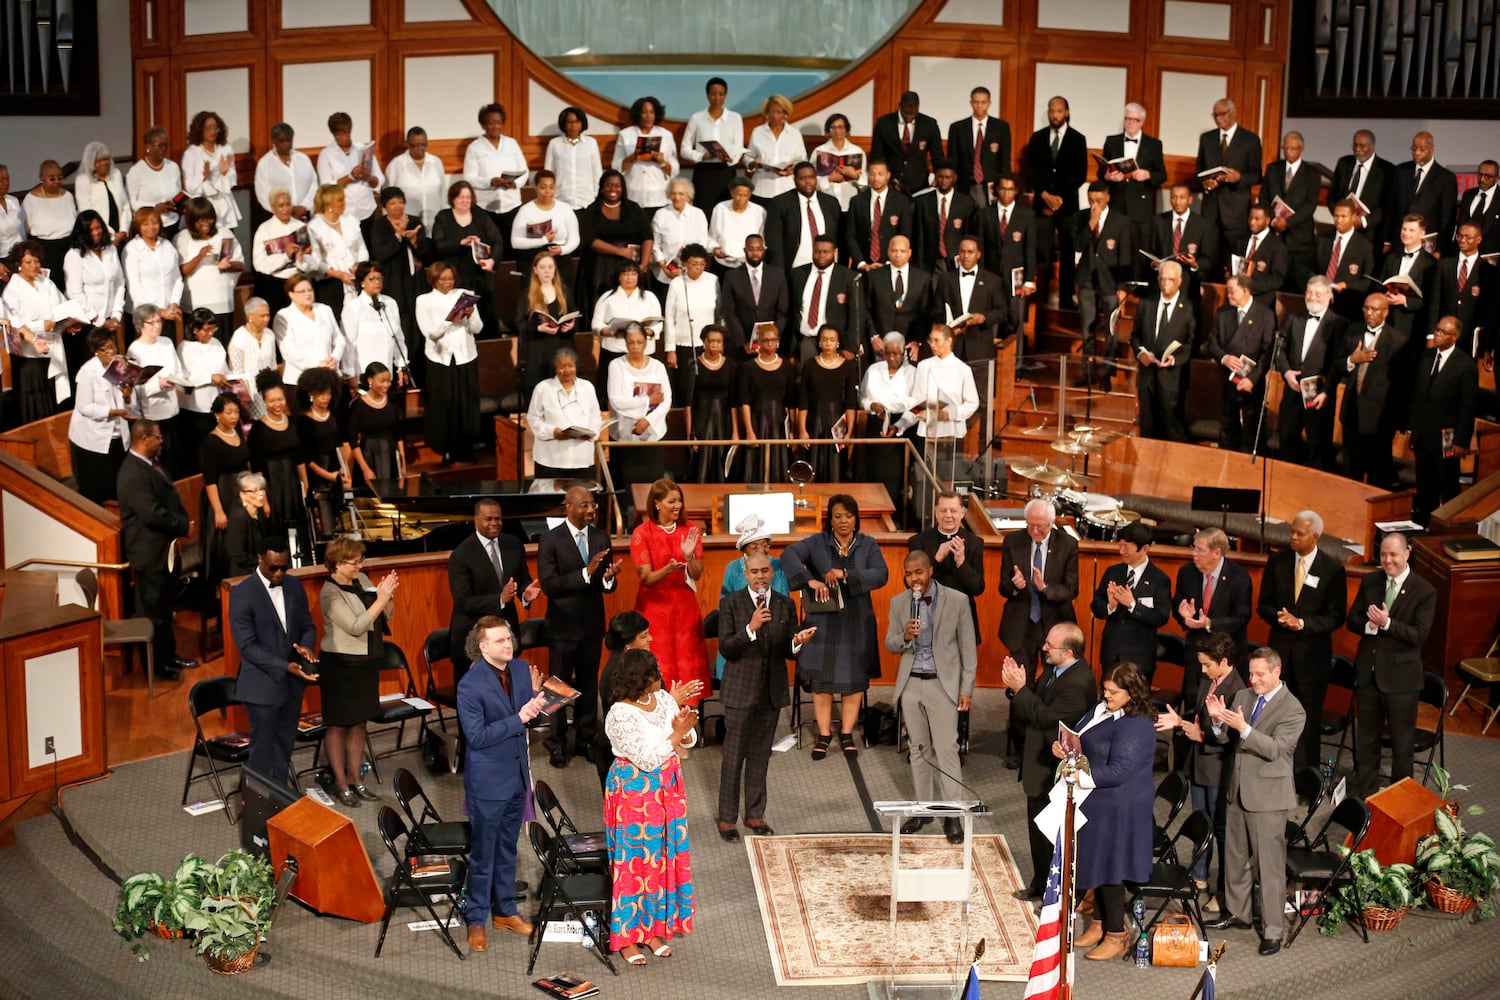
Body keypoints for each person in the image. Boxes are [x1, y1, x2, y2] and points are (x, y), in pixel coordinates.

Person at [1204, 647, 1304, 957]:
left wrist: (1242, 728)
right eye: (1251, 672)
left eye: (1261, 674)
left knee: (1269, 867)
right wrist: (1218, 722)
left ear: (1277, 672)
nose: (1254, 679)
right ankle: (1239, 913)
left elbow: (1276, 750)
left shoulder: (1293, 709)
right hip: (1238, 789)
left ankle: (1272, 930)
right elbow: (1224, 739)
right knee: (1235, 858)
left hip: (1269, 797)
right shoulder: (1244, 696)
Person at [602, 648, 697, 965]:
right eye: (653, 673)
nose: (660, 676)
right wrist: (676, 735)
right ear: (639, 680)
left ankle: (652, 930)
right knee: (635, 864)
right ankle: (628, 938)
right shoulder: (619, 714)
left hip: (668, 789)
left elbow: (688, 738)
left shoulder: (665, 699)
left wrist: (683, 730)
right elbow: (645, 758)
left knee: (662, 861)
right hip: (635, 792)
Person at [1057, 662, 1157, 960]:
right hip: (1100, 802)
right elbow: (1082, 736)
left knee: (1111, 868)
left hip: (1120, 805)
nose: (1106, 695)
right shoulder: (1103, 709)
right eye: (1105, 689)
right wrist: (1064, 750)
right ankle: (1099, 924)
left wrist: (1080, 777)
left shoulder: (1136, 724)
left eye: (1113, 692)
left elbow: (1120, 770)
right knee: (1098, 861)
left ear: (1131, 693)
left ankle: (1117, 934)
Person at [457, 616, 544, 953]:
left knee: (508, 849)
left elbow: (529, 715)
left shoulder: (521, 669)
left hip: (518, 777)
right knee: (483, 854)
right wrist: (519, 718)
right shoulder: (470, 684)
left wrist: (541, 706)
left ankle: (505, 911)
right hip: (488, 782)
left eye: (508, 638)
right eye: (499, 640)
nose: (508, 644)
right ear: (482, 647)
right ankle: (476, 919)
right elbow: (476, 737)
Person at [716, 550, 815, 842]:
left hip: (770, 691)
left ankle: (755, 814)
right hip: (739, 692)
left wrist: (797, 642)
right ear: (745, 575)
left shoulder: (784, 604)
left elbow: (786, 650)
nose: (760, 576)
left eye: (765, 571)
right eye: (754, 572)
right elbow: (727, 649)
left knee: (760, 756)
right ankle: (727, 819)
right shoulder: (731, 604)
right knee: (734, 757)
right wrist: (751, 628)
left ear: (773, 574)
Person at [781, 494, 889, 759]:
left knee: (853, 681)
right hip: (823, 620)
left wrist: (846, 574)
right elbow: (788, 555)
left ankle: (847, 733)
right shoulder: (817, 542)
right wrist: (809, 580)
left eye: (849, 516)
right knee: (822, 681)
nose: (843, 521)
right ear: (830, 518)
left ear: (856, 518)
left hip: (857, 620)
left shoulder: (867, 544)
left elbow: (881, 574)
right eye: (838, 515)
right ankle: (824, 734)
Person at [887, 550, 976, 844]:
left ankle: (952, 815)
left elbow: (968, 650)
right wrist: (905, 637)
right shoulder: (899, 603)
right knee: (918, 749)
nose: (914, 579)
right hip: (911, 684)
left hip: (943, 684)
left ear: (930, 572)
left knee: (947, 749)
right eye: (909, 574)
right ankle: (923, 809)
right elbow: (890, 643)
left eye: (919, 573)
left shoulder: (958, 600)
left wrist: (966, 689)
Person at [1003, 622, 1096, 899]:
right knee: (1036, 829)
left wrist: (1021, 690)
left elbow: (1046, 718)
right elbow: (1036, 703)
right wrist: (1017, 689)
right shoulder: (1056, 670)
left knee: (1050, 834)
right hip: (1038, 763)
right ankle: (1039, 882)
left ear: (1067, 652)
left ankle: (1054, 893)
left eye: (1050, 645)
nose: (1044, 648)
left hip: (1053, 769)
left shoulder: (1079, 683)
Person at [1155, 631, 1245, 909]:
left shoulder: (1237, 690)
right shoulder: (1210, 680)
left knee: (1220, 830)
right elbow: (1197, 717)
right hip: (1201, 765)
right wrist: (1180, 722)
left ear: (1224, 661)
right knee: (1201, 822)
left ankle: (1224, 892)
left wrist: (1202, 735)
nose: (1203, 670)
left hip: (1220, 770)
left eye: (1207, 664)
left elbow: (1232, 736)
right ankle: (1199, 875)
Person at [1347, 532, 1437, 796]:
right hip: (1368, 676)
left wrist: (1387, 623)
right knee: (1366, 744)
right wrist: (1369, 625)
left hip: (1401, 682)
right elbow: (1352, 619)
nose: (1387, 560)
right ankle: (1366, 800)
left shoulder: (1425, 590)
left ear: (1407, 554)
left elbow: (1419, 635)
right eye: (1383, 555)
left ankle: (1398, 804)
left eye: (1393, 555)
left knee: (1401, 747)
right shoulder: (1371, 580)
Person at [1256, 511, 1346, 771]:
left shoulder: (1332, 569)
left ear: (1315, 537)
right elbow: (1264, 606)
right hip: (1280, 655)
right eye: (1292, 531)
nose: (1293, 537)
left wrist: (1303, 623)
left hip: (1312, 658)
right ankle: (1274, 769)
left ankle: (1304, 775)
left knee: (1306, 717)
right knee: (1276, 714)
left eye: (1300, 533)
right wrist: (1280, 618)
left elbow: (1335, 617)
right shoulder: (1277, 562)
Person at [537, 486, 620, 768]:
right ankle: (557, 741)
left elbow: (605, 584)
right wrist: (586, 572)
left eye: (592, 505)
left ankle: (586, 738)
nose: (590, 510)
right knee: (558, 688)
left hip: (592, 625)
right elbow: (550, 585)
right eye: (584, 505)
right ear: (568, 508)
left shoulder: (600, 537)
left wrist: (608, 578)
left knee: (587, 684)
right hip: (562, 627)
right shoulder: (550, 541)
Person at [997, 497, 1080, 766]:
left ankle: (1050, 744)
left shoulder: (1068, 545)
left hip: (1053, 627)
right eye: (1031, 525)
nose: (1035, 531)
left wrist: (1045, 589)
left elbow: (1071, 589)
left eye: (1041, 527)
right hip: (1021, 625)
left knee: (1053, 687)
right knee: (1021, 684)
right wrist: (1014, 584)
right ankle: (1020, 750)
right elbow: (1001, 586)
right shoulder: (1013, 542)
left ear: (1052, 523)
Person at [317, 536, 398, 806]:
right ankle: (341, 783)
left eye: (361, 560)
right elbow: (355, 625)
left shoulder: (361, 581)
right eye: (355, 562)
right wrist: (380, 599)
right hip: (340, 664)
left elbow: (388, 614)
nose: (360, 566)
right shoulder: (329, 592)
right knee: (339, 724)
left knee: (359, 723)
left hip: (365, 662)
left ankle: (356, 779)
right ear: (337, 564)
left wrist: (387, 599)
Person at [229, 538, 318, 781]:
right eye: (273, 568)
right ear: (260, 559)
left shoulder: (294, 586)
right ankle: (259, 806)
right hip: (261, 686)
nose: (279, 573)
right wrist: (284, 666)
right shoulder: (242, 594)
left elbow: (308, 626)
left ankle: (279, 797)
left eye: (283, 568)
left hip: (292, 684)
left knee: (285, 745)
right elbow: (247, 647)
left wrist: (307, 648)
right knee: (262, 750)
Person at [118, 416, 196, 680]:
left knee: (164, 610)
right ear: (144, 439)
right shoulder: (132, 473)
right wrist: (183, 526)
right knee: (153, 612)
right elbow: (151, 513)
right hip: (149, 554)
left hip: (163, 550)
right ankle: (157, 666)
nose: (162, 441)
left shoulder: (151, 465)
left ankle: (168, 656)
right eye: (158, 437)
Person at [631, 478, 709, 701]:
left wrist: (689, 556)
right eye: (671, 501)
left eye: (680, 501)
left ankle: (690, 719)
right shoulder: (642, 533)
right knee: (659, 665)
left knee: (687, 666)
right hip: (653, 612)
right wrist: (669, 568)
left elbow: (696, 573)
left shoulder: (691, 529)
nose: (678, 506)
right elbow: (646, 578)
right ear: (656, 503)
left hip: (685, 610)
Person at [448, 498, 540, 671]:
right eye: (488, 519)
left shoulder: (514, 544)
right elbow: (463, 601)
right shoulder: (461, 555)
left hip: (506, 637)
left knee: (509, 692)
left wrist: (524, 593)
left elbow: (521, 580)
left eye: (497, 519)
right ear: (476, 520)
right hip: (475, 640)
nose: (494, 523)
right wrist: (500, 598)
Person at [1408, 315, 1479, 523]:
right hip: (1423, 435)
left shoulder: (1465, 365)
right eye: (1436, 330)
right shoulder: (1427, 357)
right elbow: (1418, 395)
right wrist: (1412, 428)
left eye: (1442, 332)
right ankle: (1422, 525)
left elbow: (1468, 407)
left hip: (1447, 438)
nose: (1437, 335)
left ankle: (1447, 527)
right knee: (1424, 485)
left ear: (1455, 336)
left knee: (1447, 485)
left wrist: (1461, 441)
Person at [1174, 526, 1254, 706]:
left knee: (1223, 709)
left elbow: (1241, 618)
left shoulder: (1239, 578)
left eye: (1199, 550)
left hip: (1226, 655)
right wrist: (1185, 616)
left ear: (1216, 553)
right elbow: (1177, 604)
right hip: (1196, 654)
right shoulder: (1186, 573)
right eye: (1193, 548)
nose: (1194, 553)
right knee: (1194, 705)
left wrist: (1209, 623)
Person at [364, 188, 435, 380]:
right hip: (394, 283)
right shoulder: (380, 226)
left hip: (416, 281)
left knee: (419, 326)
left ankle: (421, 375)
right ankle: (402, 373)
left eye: (400, 202)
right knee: (402, 326)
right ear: (385, 206)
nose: (397, 206)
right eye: (392, 203)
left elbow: (427, 254)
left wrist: (413, 241)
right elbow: (381, 254)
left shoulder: (414, 221)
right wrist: (398, 235)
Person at [1022, 97, 1088, 304]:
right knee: (1041, 249)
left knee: (1068, 250)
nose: (1055, 115)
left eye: (1059, 111)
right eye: (1052, 111)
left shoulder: (1078, 139)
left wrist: (1057, 200)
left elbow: (1080, 175)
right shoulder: (1038, 138)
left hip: (1066, 205)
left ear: (1066, 112)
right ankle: (1039, 296)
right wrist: (1045, 196)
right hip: (1042, 203)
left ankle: (1066, 296)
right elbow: (1031, 171)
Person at [1276, 276, 1346, 470]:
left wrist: (1327, 390)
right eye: (1309, 293)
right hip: (1292, 388)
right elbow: (1280, 349)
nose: (1313, 297)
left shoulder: (1338, 323)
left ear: (1329, 296)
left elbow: (1337, 362)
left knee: (1318, 443)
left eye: (1318, 293)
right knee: (1287, 436)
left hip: (1319, 392)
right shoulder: (1294, 318)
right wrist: (1286, 372)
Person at [416, 261, 482, 464]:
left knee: (465, 403)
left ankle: (466, 447)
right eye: (443, 279)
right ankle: (444, 448)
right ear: (434, 280)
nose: (448, 282)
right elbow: (430, 334)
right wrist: (450, 319)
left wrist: (470, 317)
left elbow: (478, 329)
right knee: (444, 403)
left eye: (450, 278)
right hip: (439, 358)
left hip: (465, 356)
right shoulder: (424, 300)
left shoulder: (465, 294)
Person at [1340, 292, 1406, 488]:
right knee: (1351, 471)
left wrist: (1398, 420)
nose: (1369, 313)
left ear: (1385, 313)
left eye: (1374, 309)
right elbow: (1336, 366)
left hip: (1379, 419)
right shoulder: (1352, 332)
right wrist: (1352, 360)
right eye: (1366, 308)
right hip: (1352, 412)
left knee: (1378, 473)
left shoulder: (1397, 341)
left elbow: (1402, 385)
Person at [908, 324, 979, 505]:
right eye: (930, 340)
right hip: (928, 431)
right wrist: (922, 409)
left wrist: (950, 414)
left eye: (937, 340)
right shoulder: (924, 366)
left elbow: (972, 402)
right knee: (925, 479)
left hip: (951, 433)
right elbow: (916, 397)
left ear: (949, 341)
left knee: (949, 480)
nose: (932, 344)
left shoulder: (962, 369)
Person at [1090, 521, 1172, 676]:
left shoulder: (1159, 579)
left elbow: (1161, 617)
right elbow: (1095, 605)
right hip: (1111, 655)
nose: (1121, 551)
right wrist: (1110, 606)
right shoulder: (1113, 572)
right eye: (1120, 545)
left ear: (1145, 549)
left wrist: (1132, 605)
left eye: (1127, 547)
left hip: (1140, 658)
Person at [908, 490, 986, 647]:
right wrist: (936, 559)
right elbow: (913, 584)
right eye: (943, 510)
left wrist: (961, 562)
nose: (948, 515)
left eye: (954, 511)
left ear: (962, 513)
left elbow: (978, 588)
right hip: (928, 617)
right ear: (936, 512)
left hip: (962, 620)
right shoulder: (919, 541)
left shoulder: (975, 543)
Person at [3, 239, 71, 420]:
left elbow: (62, 306)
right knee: (36, 404)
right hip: (30, 356)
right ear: (19, 264)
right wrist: (42, 325)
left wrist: (68, 322)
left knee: (54, 397)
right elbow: (15, 324)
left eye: (36, 261)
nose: (34, 265)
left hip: (53, 347)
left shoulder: (46, 282)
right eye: (28, 262)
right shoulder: (12, 290)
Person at [1098, 104, 1167, 280]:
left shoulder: (1154, 144)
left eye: (1134, 120)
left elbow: (1162, 175)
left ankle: (1136, 286)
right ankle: (1111, 283)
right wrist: (1108, 176)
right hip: (1117, 201)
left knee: (1139, 246)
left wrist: (1147, 174)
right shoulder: (1111, 141)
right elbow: (1102, 171)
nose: (1130, 123)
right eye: (1127, 118)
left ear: (1142, 121)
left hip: (1140, 204)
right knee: (1112, 244)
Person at [1207, 274, 1275, 452]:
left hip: (1251, 384)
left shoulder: (1265, 315)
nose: (1228, 295)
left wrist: (1252, 378)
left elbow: (1268, 352)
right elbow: (1212, 343)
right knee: (1227, 429)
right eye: (1227, 291)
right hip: (1227, 382)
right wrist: (1224, 358)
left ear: (1245, 290)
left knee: (1250, 434)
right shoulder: (1223, 313)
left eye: (1232, 291)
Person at [1072, 181, 1132, 383]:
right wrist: (1091, 222)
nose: (1094, 204)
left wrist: (1122, 287)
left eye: (1098, 200)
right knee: (1087, 327)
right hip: (1087, 280)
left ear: (1108, 197)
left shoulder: (1121, 221)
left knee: (1111, 329)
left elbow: (1125, 256)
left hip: (1110, 282)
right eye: (1091, 200)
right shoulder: (1081, 217)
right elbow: (1077, 245)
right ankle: (1087, 372)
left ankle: (1107, 372)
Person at [67, 328, 135, 504]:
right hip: (92, 439)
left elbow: (127, 402)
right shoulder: (87, 372)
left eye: (113, 347)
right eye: (106, 349)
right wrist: (114, 412)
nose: (111, 352)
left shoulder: (121, 365)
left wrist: (127, 396)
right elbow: (85, 407)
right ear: (96, 351)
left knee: (118, 485)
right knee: (96, 489)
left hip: (118, 435)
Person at [1131, 259, 1194, 441]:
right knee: (1147, 429)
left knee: (1171, 429)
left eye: (1171, 280)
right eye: (1163, 279)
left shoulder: (1188, 308)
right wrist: (1141, 353)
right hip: (1147, 377)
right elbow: (1135, 336)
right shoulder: (1146, 303)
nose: (1166, 284)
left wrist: (1174, 359)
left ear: (1180, 281)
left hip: (1171, 380)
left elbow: (1191, 344)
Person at [1195, 99, 1262, 267]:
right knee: (1208, 257)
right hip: (1211, 210)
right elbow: (1199, 172)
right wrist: (1205, 183)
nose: (1218, 118)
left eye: (1222, 114)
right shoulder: (1207, 139)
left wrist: (1239, 178)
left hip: (1236, 212)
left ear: (1234, 112)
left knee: (1234, 261)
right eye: (1215, 115)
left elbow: (1257, 175)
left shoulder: (1250, 140)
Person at [431, 180, 503, 334]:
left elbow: (498, 241)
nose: (465, 201)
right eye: (461, 197)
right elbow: (438, 245)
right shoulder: (444, 217)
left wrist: (492, 260)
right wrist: (460, 242)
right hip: (456, 276)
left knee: (486, 313)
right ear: (453, 199)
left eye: (468, 197)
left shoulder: (480, 215)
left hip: (480, 275)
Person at [125, 303, 188, 477]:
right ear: (140, 326)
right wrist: (157, 385)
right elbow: (135, 388)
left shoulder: (166, 342)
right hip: (152, 413)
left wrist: (178, 383)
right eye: (151, 323)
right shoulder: (135, 350)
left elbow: (178, 370)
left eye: (159, 321)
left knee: (177, 462)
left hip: (172, 409)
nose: (157, 326)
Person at [593, 611, 654, 789]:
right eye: (644, 636)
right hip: (619, 756)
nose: (650, 639)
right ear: (628, 644)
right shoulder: (619, 676)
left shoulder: (633, 666)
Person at [578, 170, 653, 312]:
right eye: (609, 185)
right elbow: (590, 240)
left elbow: (648, 237)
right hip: (599, 267)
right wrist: (620, 251)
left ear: (623, 188)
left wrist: (643, 265)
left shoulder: (634, 208)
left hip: (630, 266)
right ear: (601, 187)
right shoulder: (592, 211)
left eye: (617, 186)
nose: (613, 189)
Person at [62, 211, 124, 378]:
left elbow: (119, 282)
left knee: (113, 370)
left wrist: (117, 314)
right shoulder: (74, 255)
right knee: (92, 372)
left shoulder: (110, 249)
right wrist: (98, 320)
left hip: (111, 320)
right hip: (87, 324)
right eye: (91, 229)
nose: (96, 232)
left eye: (98, 228)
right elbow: (74, 292)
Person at [248, 377, 305, 554]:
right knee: (276, 527)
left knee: (298, 526)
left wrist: (305, 486)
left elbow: (300, 458)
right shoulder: (258, 429)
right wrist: (263, 499)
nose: (277, 404)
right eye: (271, 400)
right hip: (271, 486)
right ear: (264, 401)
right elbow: (256, 466)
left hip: (292, 483)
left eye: (280, 399)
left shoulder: (294, 423)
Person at [195, 392, 249, 581]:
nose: (234, 416)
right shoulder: (211, 442)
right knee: (223, 545)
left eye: (236, 412)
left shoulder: (239, 431)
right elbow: (209, 480)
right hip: (222, 495)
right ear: (217, 415)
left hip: (241, 492)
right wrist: (218, 510)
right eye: (229, 413)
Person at [858, 332, 916, 504]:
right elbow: (861, 399)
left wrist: (898, 426)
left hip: (901, 425)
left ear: (903, 352)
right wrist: (872, 405)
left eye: (895, 354)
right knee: (873, 469)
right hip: (876, 421)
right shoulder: (873, 370)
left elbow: (915, 405)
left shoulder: (913, 373)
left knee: (894, 473)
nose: (891, 358)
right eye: (887, 353)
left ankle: (894, 510)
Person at [1258, 131, 1321, 287]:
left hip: (1299, 239)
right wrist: (1273, 219)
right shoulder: (1273, 168)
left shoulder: (1312, 173)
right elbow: (1264, 197)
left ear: (1301, 149)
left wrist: (1288, 222)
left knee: (1296, 283)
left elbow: (1310, 206)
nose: (1289, 152)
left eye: (1293, 148)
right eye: (1285, 148)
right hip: (1275, 234)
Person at [981, 174, 1039, 344]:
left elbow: (1030, 250)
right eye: (1003, 188)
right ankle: (990, 361)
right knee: (990, 318)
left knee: (1015, 318)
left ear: (1016, 191)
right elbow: (981, 248)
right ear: (996, 190)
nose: (1006, 193)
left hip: (1016, 277)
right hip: (990, 275)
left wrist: (1029, 280)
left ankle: (1017, 364)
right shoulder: (985, 214)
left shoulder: (1026, 215)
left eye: (1010, 189)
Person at [527, 348, 601, 481]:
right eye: (562, 367)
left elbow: (595, 416)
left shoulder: (587, 387)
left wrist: (592, 433)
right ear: (555, 368)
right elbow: (533, 418)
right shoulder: (543, 388)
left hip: (581, 458)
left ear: (576, 366)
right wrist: (552, 432)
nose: (567, 370)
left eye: (570, 366)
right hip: (550, 459)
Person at [590, 260, 662, 395]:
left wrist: (649, 331)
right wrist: (610, 331)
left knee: (641, 393)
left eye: (633, 274)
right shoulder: (607, 297)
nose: (630, 278)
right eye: (625, 274)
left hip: (642, 350)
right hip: (614, 349)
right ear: (619, 277)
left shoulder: (649, 297)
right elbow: (596, 324)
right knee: (614, 390)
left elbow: (658, 322)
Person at [798, 325, 858, 483]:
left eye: (832, 340)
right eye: (824, 339)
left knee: (836, 467)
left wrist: (849, 433)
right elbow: (803, 400)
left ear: (838, 342)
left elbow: (851, 403)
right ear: (819, 342)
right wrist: (802, 430)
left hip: (837, 422)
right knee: (814, 466)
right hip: (814, 420)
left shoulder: (848, 367)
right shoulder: (809, 365)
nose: (828, 343)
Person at [735, 326, 796, 482]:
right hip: (757, 421)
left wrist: (792, 430)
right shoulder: (747, 367)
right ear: (758, 342)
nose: (770, 344)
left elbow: (791, 401)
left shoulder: (787, 366)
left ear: (778, 342)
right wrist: (749, 430)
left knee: (779, 464)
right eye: (765, 340)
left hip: (779, 422)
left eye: (773, 340)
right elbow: (744, 402)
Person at [175, 196, 243, 335]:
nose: (206, 223)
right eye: (200, 220)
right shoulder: (183, 237)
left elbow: (240, 264)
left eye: (209, 219)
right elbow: (180, 271)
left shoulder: (224, 233)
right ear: (192, 220)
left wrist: (227, 264)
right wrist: (200, 256)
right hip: (195, 302)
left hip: (222, 299)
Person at [295, 367, 351, 534]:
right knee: (323, 523)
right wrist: (329, 476)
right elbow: (305, 458)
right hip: (317, 476)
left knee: (342, 520)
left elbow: (344, 444)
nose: (326, 398)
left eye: (328, 393)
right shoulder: (303, 422)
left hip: (337, 470)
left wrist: (347, 471)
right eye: (321, 394)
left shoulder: (335, 416)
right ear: (310, 394)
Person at [932, 236, 1004, 365]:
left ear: (978, 254)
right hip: (951, 346)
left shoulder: (993, 281)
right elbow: (937, 309)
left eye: (970, 252)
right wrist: (948, 327)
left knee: (979, 385)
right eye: (962, 252)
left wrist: (984, 318)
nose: (965, 256)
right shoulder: (945, 279)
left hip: (979, 346)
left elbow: (1002, 311)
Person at [607, 323, 672, 463]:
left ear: (646, 342)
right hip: (624, 433)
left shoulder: (658, 366)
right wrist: (648, 400)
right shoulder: (616, 365)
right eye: (631, 343)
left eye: (639, 342)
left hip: (654, 431)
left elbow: (666, 400)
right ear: (625, 343)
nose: (635, 347)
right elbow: (616, 401)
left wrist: (648, 420)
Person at [718, 232, 787, 358]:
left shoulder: (778, 275)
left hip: (771, 345)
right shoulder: (731, 276)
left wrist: (772, 339)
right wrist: (743, 342)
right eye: (751, 249)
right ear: (745, 250)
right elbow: (729, 312)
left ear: (764, 250)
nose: (755, 253)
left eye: (759, 249)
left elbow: (783, 310)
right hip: (742, 345)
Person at [680, 78, 745, 211]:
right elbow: (684, 149)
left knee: (726, 212)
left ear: (725, 96)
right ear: (707, 95)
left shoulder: (735, 118)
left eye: (721, 94)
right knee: (703, 212)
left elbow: (739, 148)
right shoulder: (696, 118)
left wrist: (730, 157)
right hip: (704, 173)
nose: (717, 98)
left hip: (726, 172)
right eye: (713, 94)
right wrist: (703, 156)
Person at [788, 235, 856, 360]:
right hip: (805, 342)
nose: (821, 255)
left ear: (835, 252)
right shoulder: (797, 274)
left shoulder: (848, 277)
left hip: (836, 346)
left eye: (826, 252)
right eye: (817, 251)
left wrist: (851, 347)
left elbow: (856, 314)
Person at [275, 273, 347, 389]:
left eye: (310, 290)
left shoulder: (324, 309)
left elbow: (339, 339)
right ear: (291, 294)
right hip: (300, 379)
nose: (307, 294)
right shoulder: (284, 316)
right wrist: (317, 365)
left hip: (330, 374)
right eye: (302, 291)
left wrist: (335, 358)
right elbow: (288, 350)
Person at [766, 161, 842, 272]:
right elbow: (775, 244)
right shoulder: (780, 203)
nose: (808, 182)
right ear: (795, 180)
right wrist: (779, 274)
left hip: (827, 268)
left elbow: (840, 237)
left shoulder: (831, 203)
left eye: (811, 177)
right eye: (802, 178)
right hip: (795, 268)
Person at [304, 183, 368, 313]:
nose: (344, 203)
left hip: (355, 278)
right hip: (330, 283)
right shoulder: (314, 227)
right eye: (340, 200)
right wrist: (337, 274)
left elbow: (361, 249)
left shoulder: (350, 221)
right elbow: (314, 261)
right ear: (328, 204)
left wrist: (358, 265)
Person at [464, 102, 529, 230]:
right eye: (491, 123)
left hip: (512, 204)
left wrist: (516, 184)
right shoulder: (474, 148)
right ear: (483, 124)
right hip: (486, 207)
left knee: (512, 245)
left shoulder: (512, 143)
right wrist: (490, 182)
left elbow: (524, 170)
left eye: (499, 122)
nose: (495, 126)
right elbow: (469, 178)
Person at [863, 234, 930, 358]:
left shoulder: (923, 278)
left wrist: (917, 341)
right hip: (880, 345)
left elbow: (925, 314)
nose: (898, 254)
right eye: (894, 250)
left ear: (909, 253)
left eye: (902, 251)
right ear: (888, 252)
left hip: (909, 346)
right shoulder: (874, 277)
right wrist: (873, 336)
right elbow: (865, 309)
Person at [121, 207, 184, 339]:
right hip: (143, 316)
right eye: (145, 224)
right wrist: (158, 312)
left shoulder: (167, 246)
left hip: (168, 313)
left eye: (155, 223)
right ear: (138, 226)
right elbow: (134, 285)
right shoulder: (131, 249)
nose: (151, 227)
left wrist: (174, 303)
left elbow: (177, 279)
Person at [520, 252, 576, 395]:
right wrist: (538, 328)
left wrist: (571, 325)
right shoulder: (527, 294)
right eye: (542, 267)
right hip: (538, 350)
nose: (547, 271)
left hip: (561, 344)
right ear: (535, 270)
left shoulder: (564, 291)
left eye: (550, 267)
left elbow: (574, 315)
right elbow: (519, 323)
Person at [1393, 132, 1458, 254]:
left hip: (1428, 245)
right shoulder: (1401, 171)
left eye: (1422, 149)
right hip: (1399, 242)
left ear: (1432, 149)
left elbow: (1447, 219)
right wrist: (1388, 240)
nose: (1417, 152)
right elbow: (1392, 206)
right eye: (1414, 148)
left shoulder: (1445, 178)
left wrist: (1440, 249)